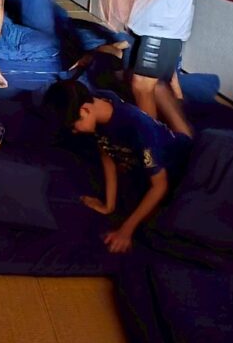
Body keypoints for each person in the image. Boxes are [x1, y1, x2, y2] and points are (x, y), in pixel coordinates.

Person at [43, 79, 191, 254]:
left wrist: (126, 230)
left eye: (74, 127)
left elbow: (160, 186)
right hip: (146, 153)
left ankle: (165, 98)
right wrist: (109, 206)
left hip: (183, 162)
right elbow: (107, 153)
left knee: (187, 141)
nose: (74, 132)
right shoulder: (99, 102)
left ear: (85, 110)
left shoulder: (139, 129)